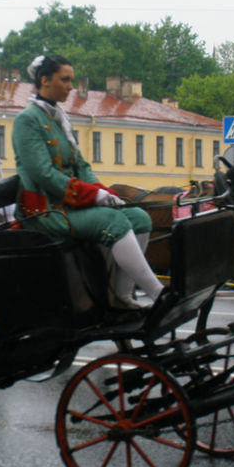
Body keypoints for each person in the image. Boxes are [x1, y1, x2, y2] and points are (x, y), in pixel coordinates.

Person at [11, 54, 164, 311]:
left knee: (139, 217)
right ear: (45, 80)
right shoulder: (27, 120)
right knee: (113, 222)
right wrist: (92, 197)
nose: (71, 86)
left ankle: (123, 296)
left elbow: (81, 166)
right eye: (65, 79)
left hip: (70, 205)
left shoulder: (58, 117)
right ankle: (158, 293)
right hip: (46, 211)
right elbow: (43, 174)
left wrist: (104, 193)